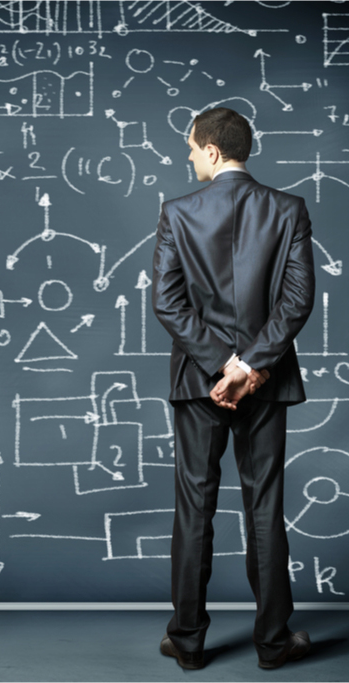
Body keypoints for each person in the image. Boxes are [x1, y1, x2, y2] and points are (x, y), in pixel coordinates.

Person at [151, 107, 315, 670]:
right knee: (264, 505)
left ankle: (188, 642)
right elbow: (297, 302)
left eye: (191, 147)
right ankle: (274, 642)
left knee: (194, 504)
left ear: (213, 151)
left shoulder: (177, 213)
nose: (188, 156)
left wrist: (222, 363)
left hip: (198, 381)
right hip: (267, 382)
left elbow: (167, 303)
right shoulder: (289, 209)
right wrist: (249, 365)